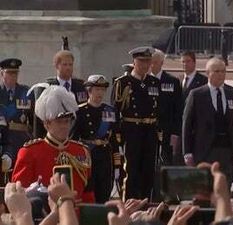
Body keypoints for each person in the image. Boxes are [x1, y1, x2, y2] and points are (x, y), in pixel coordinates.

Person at [12, 85, 94, 203]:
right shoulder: (30, 152)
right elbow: (18, 195)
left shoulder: (81, 151)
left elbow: (88, 195)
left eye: (67, 121)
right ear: (46, 124)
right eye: (59, 122)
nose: (65, 126)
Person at [182, 57, 233, 187]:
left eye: (223, 71)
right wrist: (187, 152)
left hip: (227, 150)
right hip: (204, 150)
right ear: (208, 73)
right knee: (204, 188)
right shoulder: (197, 95)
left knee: (225, 187)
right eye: (217, 71)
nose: (221, 74)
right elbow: (187, 125)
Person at [112, 46, 160, 201]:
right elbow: (115, 110)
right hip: (132, 130)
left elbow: (159, 109)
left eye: (148, 61)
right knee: (131, 170)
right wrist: (118, 135)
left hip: (149, 130)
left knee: (148, 170)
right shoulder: (123, 83)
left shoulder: (153, 82)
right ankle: (129, 204)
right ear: (134, 61)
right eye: (141, 61)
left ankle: (146, 202)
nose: (145, 65)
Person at [71, 75, 123, 203]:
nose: (100, 93)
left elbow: (115, 138)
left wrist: (117, 163)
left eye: (102, 90)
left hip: (105, 155)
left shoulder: (110, 111)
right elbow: (74, 138)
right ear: (89, 91)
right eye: (96, 90)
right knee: (89, 191)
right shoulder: (80, 111)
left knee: (104, 191)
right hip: (88, 156)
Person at [33, 50, 87, 138]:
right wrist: (39, 139)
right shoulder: (46, 87)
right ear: (56, 66)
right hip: (54, 137)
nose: (68, 68)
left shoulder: (81, 86)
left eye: (70, 65)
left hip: (77, 138)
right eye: (65, 64)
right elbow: (39, 117)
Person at [0, 58, 34, 171]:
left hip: (21, 141)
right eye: (9, 72)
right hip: (2, 142)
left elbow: (33, 121)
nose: (13, 76)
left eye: (15, 73)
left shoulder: (26, 92)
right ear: (2, 73)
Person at [151, 49, 183, 165]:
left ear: (161, 63)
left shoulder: (172, 81)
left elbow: (178, 109)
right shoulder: (144, 81)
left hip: (167, 130)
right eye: (150, 62)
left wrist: (175, 133)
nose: (152, 65)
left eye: (155, 62)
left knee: (166, 162)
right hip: (149, 130)